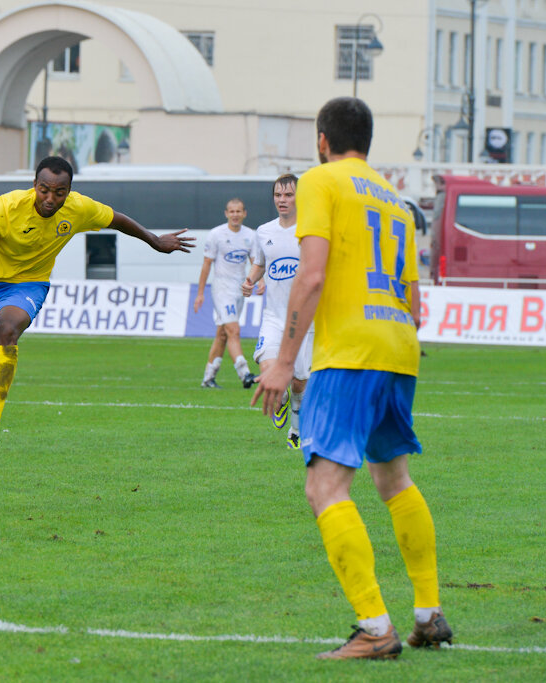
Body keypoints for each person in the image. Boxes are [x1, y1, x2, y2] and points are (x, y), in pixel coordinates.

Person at [253, 97, 450, 660]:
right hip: (399, 347)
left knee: (325, 487)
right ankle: (428, 613)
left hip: (351, 352)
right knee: (394, 479)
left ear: (322, 139)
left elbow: (310, 276)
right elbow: (414, 299)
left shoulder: (321, 181)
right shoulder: (393, 198)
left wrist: (285, 360)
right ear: (368, 139)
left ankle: (374, 628)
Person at [0, 156, 195, 453]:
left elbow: (117, 220)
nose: (51, 198)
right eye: (45, 190)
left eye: (60, 193)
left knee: (6, 330)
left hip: (28, 284)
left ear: (69, 191)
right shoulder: (7, 207)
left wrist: (154, 240)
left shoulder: (79, 208)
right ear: (34, 184)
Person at [241, 174, 312, 449]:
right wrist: (250, 281)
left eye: (288, 195)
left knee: (299, 381)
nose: (282, 200)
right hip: (274, 316)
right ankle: (279, 399)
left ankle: (295, 429)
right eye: (278, 195)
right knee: (269, 369)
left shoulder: (310, 231)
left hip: (306, 320)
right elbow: (260, 263)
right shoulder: (264, 231)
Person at [193, 198, 258, 389]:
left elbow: (256, 261)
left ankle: (208, 378)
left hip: (240, 290)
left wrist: (259, 280)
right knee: (233, 330)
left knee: (222, 334)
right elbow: (207, 264)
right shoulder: (217, 234)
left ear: (244, 213)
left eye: (239, 211)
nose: (235, 215)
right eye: (232, 211)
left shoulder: (251, 236)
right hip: (222, 289)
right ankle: (244, 372)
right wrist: (200, 293)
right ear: (226, 213)